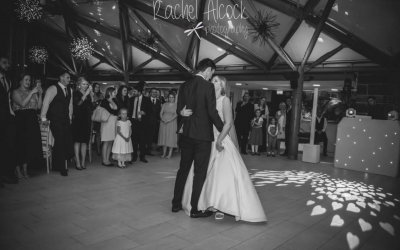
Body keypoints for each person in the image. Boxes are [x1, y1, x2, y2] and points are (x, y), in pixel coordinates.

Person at [181, 75, 267, 222]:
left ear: (221, 86)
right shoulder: (207, 99)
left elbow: (228, 123)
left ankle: (221, 205)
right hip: (205, 139)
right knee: (203, 172)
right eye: (212, 79)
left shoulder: (225, 100)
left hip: (220, 139)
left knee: (221, 173)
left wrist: (219, 140)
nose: (211, 82)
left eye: (215, 80)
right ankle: (203, 202)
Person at [172, 59, 224, 218]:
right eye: (212, 73)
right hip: (202, 136)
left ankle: (176, 204)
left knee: (183, 170)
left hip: (186, 134)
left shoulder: (184, 85)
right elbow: (212, 112)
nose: (211, 76)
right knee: (199, 173)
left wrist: (182, 113)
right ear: (208, 70)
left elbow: (179, 108)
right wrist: (224, 130)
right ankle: (194, 209)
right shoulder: (207, 86)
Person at [41, 72, 74, 176]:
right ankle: (62, 167)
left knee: (64, 141)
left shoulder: (70, 90)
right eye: (67, 77)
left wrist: (69, 117)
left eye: (69, 78)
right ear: (61, 77)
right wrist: (43, 117)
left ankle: (56, 165)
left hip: (65, 120)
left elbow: (70, 104)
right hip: (55, 119)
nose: (69, 79)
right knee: (60, 141)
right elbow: (46, 103)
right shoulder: (53, 88)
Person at [11, 73, 43, 179]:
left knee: (29, 146)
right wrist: (32, 93)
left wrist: (40, 94)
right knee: (20, 145)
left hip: (32, 119)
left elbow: (38, 106)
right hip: (21, 120)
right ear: (20, 81)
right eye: (26, 80)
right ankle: (17, 170)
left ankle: (25, 169)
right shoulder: (15, 92)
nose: (28, 82)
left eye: (29, 80)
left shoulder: (32, 92)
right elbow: (22, 104)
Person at [0, 55, 18, 187]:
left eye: (8, 63)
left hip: (6, 118)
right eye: (4, 63)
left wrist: (11, 113)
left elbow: (8, 99)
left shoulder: (8, 81)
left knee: (7, 147)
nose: (7, 65)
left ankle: (5, 174)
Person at [72, 77, 94, 170]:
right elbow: (78, 104)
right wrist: (86, 94)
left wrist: (92, 95)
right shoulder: (75, 93)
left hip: (87, 119)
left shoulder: (88, 94)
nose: (85, 86)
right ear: (79, 84)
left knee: (85, 141)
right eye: (84, 84)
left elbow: (93, 106)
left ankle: (83, 161)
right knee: (77, 141)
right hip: (78, 119)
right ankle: (77, 161)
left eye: (87, 84)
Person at [128, 81, 152, 163]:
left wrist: (144, 112)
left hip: (142, 122)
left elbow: (151, 111)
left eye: (135, 91)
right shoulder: (131, 99)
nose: (133, 92)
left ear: (139, 92)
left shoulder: (147, 100)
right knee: (134, 140)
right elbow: (129, 110)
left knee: (142, 140)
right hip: (133, 122)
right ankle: (134, 156)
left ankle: (142, 157)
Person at [100, 87, 118, 166]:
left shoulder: (113, 100)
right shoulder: (104, 101)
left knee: (110, 142)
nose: (115, 93)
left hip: (113, 122)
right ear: (110, 93)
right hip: (107, 122)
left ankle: (107, 159)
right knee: (106, 142)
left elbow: (116, 111)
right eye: (114, 92)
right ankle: (104, 160)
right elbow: (112, 111)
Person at [158, 93, 178, 158]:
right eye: (170, 97)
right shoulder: (164, 104)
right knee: (164, 136)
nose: (171, 98)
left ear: (174, 98)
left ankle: (169, 153)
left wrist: (169, 120)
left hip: (172, 122)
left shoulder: (176, 105)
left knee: (170, 137)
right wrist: (162, 119)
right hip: (163, 122)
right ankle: (164, 153)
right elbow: (161, 112)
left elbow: (176, 114)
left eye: (172, 97)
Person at [147, 88, 162, 155]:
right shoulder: (146, 100)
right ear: (150, 93)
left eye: (155, 92)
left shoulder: (159, 101)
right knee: (146, 136)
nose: (154, 93)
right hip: (147, 121)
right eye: (153, 92)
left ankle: (149, 149)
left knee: (152, 136)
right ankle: (146, 149)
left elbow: (159, 111)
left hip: (155, 122)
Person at [92, 83, 104, 156]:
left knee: (99, 133)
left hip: (100, 114)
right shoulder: (91, 94)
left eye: (98, 87)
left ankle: (98, 149)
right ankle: (96, 148)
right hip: (93, 114)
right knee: (95, 133)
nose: (97, 88)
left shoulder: (101, 95)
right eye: (96, 87)